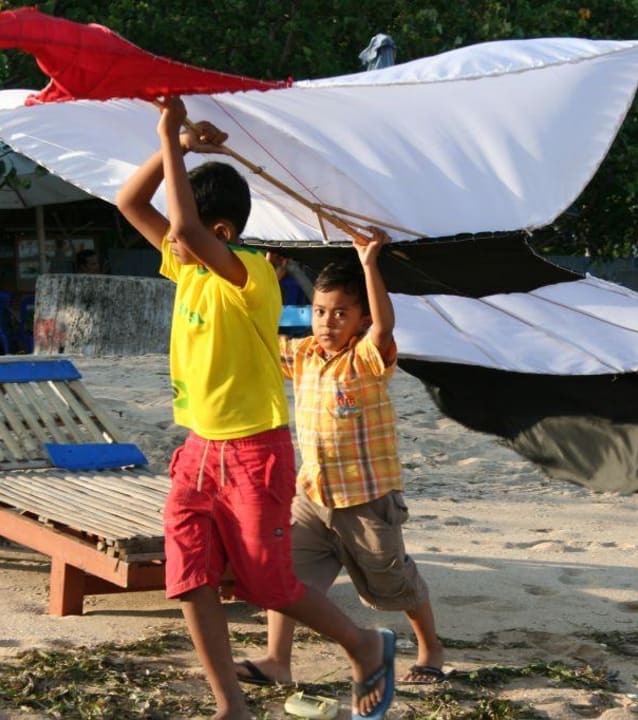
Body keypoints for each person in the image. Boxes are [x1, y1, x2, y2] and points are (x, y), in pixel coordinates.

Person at [115, 95, 396, 720]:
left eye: (189, 230)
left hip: (253, 453)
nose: (173, 239)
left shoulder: (251, 278)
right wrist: (178, 152)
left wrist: (168, 128)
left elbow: (184, 230)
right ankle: (231, 706)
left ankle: (365, 643)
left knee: (266, 585)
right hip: (197, 452)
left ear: (221, 234)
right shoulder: (186, 269)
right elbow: (128, 204)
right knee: (188, 579)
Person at [237, 238, 446, 690]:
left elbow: (386, 326)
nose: (327, 322)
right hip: (310, 495)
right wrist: (269, 277)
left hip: (366, 501)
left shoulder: (367, 360)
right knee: (284, 576)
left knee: (394, 582)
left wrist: (370, 264)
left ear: (360, 318)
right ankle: (277, 661)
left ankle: (430, 649)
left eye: (340, 313)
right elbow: (252, 329)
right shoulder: (305, 356)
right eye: (319, 311)